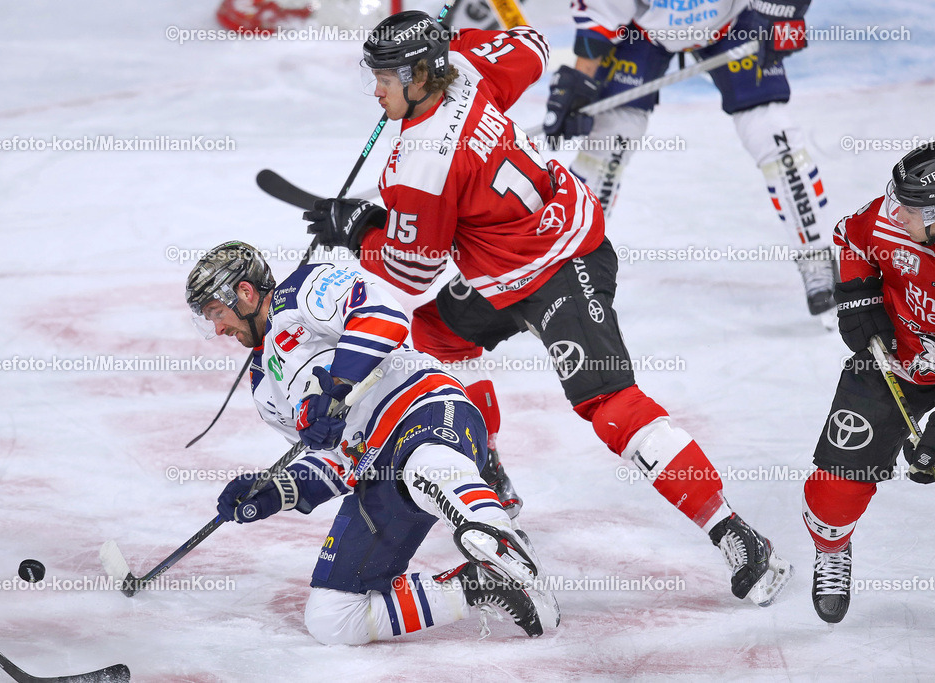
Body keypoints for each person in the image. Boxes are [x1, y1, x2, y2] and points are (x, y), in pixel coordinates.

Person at [302, 10, 791, 605]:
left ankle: (733, 531)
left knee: (611, 407)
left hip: (565, 264)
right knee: (430, 345)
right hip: (503, 266)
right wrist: (458, 46)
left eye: (385, 76)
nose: (375, 90)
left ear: (420, 74)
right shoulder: (466, 68)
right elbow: (530, 43)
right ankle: (488, 474)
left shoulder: (421, 163)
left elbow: (410, 273)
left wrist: (364, 232)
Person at [185, 241, 560, 644]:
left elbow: (382, 317)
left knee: (426, 464)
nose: (219, 329)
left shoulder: (300, 291)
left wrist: (337, 387)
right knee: (332, 619)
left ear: (244, 292)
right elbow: (336, 461)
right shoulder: (263, 389)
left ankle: (503, 543)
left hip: (421, 409)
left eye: (216, 313)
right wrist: (276, 491)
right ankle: (480, 584)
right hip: (374, 467)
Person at [542, 0, 836, 318]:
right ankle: (571, 263)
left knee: (774, 135)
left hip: (732, 21)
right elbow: (602, 14)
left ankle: (816, 256)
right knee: (611, 137)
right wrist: (582, 79)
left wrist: (781, 15)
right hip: (646, 31)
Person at [802, 144, 935, 623]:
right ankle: (833, 548)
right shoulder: (887, 222)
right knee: (835, 487)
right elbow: (850, 237)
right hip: (893, 364)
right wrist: (858, 296)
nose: (894, 213)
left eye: (910, 209)